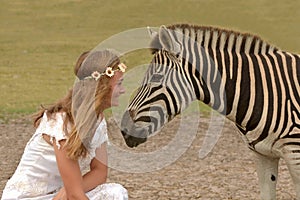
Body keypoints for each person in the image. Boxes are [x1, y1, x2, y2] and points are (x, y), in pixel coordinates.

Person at [1, 50, 129, 199]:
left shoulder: (97, 120)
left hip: (58, 195)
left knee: (114, 192)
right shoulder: (62, 122)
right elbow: (75, 195)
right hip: (27, 198)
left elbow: (99, 173)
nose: (123, 90)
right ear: (102, 87)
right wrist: (71, 191)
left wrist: (67, 191)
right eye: (119, 84)